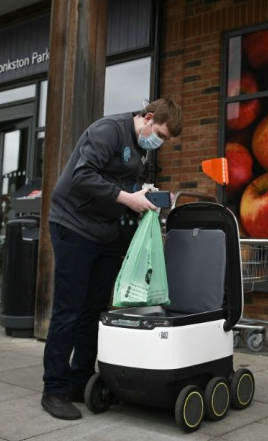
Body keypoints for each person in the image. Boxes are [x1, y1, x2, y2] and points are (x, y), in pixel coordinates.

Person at [41, 98, 183, 420]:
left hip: (103, 232)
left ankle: (80, 382)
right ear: (148, 118)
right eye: (159, 134)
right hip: (72, 225)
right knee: (69, 308)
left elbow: (123, 186)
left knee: (94, 310)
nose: (158, 143)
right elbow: (82, 175)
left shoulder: (140, 148)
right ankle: (54, 389)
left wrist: (144, 194)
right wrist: (126, 198)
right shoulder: (107, 131)